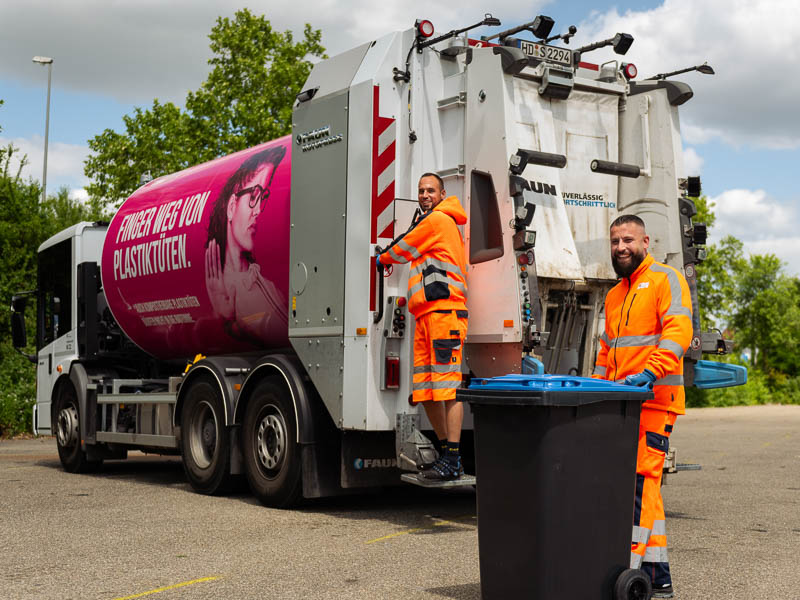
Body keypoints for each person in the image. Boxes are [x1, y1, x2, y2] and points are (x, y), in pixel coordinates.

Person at [592, 214, 692, 599]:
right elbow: (606, 353)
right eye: (615, 241)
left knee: (636, 485)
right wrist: (596, 389)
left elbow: (679, 331)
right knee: (645, 487)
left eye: (628, 240)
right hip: (622, 404)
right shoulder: (615, 294)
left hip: (654, 401)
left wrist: (650, 373)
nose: (621, 247)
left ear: (645, 242)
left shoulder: (666, 279)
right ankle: (655, 574)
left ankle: (624, 571)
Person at [377, 173, 468, 481]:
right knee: (426, 391)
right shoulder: (429, 222)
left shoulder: (438, 221)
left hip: (445, 314)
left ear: (442, 194)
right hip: (426, 317)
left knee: (448, 388)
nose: (425, 194)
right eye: (421, 190)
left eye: (431, 190)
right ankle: (446, 456)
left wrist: (382, 258)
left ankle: (453, 457)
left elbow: (402, 249)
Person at [205, 145, 288, 346]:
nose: (258, 210)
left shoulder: (267, 286)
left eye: (264, 197)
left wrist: (229, 323)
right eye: (253, 196)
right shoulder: (239, 286)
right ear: (232, 206)